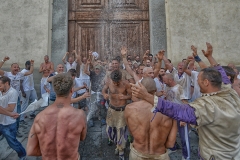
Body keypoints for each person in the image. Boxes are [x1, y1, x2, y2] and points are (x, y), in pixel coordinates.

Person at [131, 42, 240, 159]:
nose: (196, 82)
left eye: (198, 79)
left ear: (206, 82)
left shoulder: (208, 106)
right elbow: (221, 75)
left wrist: (147, 96)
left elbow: (178, 111)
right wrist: (208, 57)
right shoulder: (229, 92)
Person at [27, 73, 87, 160]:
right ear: (71, 90)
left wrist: (48, 152)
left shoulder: (40, 117)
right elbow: (82, 138)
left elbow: (30, 150)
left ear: (54, 90)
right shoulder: (80, 115)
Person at [125, 77, 177, 160]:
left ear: (140, 90)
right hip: (160, 155)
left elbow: (131, 133)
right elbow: (170, 144)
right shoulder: (170, 111)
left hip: (138, 154)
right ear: (156, 90)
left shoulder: (129, 109)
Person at [102, 70, 132, 160]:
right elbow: (103, 90)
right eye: (114, 82)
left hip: (122, 110)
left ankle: (121, 151)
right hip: (111, 109)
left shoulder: (126, 83)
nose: (115, 84)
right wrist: (104, 94)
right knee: (110, 130)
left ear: (121, 79)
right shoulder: (108, 81)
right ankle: (117, 145)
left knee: (121, 130)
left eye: (117, 82)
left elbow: (131, 95)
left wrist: (125, 97)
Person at [162, 73, 190, 160]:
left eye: (165, 80)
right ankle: (173, 148)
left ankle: (186, 156)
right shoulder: (167, 87)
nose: (164, 82)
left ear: (170, 80)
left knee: (184, 138)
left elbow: (185, 103)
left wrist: (184, 118)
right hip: (171, 115)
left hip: (180, 115)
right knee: (170, 134)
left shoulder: (179, 88)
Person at [0, 76, 26, 160]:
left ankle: (22, 155)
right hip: (1, 120)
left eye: (0, 85)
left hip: (8, 123)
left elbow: (11, 108)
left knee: (12, 143)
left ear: (6, 83)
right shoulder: (1, 90)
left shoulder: (13, 92)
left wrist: (7, 113)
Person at [84, 59, 106, 127]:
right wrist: (87, 64)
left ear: (100, 69)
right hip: (93, 92)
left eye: (98, 69)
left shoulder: (103, 74)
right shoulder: (92, 73)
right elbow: (85, 71)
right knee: (92, 106)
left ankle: (102, 118)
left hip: (100, 93)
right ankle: (91, 120)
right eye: (96, 69)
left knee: (101, 106)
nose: (97, 70)